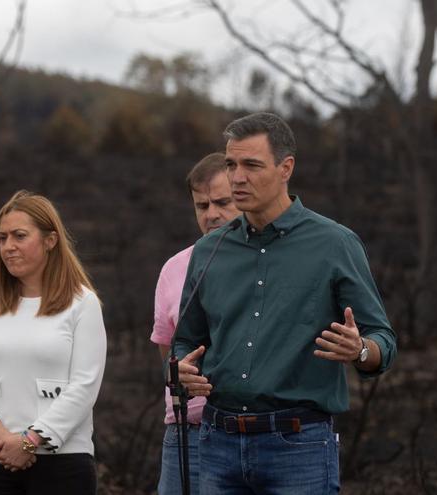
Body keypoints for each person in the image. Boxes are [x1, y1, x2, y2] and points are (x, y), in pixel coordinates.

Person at [174, 113, 397, 494]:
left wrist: (360, 350)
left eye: (251, 165)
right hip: (217, 443)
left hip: (298, 447)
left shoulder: (335, 244)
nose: (237, 177)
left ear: (285, 168)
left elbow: (382, 340)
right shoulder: (209, 250)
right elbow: (185, 339)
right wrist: (181, 368)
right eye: (231, 165)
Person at [0, 190, 106, 495]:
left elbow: (85, 386)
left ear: (50, 241)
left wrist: (30, 441)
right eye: (2, 238)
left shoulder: (82, 304)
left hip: (63, 463)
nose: (8, 247)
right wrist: (1, 438)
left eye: (19, 236)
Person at [151, 152, 241, 494]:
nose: (212, 214)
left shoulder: (270, 262)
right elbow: (167, 351)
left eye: (222, 202)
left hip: (250, 431)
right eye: (202, 206)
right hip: (186, 433)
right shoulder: (174, 268)